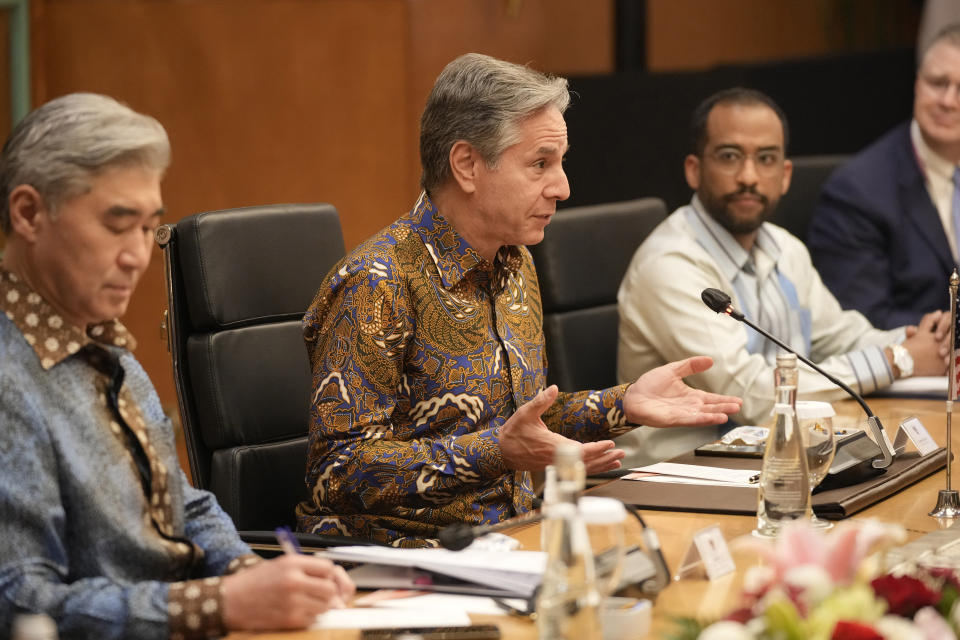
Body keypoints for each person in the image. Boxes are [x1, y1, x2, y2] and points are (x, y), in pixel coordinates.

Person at [296, 53, 742, 547]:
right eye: (540, 164)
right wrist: (499, 451)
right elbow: (336, 473)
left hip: (517, 539)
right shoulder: (377, 282)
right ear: (467, 165)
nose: (564, 187)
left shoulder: (513, 262)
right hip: (406, 562)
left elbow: (522, 427)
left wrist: (623, 404)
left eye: (560, 162)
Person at [0, 93, 354, 639]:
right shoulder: (9, 379)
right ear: (28, 213)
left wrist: (250, 573)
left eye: (147, 229)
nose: (137, 256)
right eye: (118, 225)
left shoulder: (100, 343)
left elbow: (182, 508)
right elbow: (22, 607)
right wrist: (216, 605)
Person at [615, 88, 949, 466]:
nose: (749, 177)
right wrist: (898, 360)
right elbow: (753, 397)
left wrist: (925, 344)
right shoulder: (670, 264)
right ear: (694, 169)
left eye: (767, 159)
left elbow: (838, 338)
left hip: (773, 463)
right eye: (729, 157)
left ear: (785, 175)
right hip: (678, 479)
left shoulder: (785, 248)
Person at [808, 24, 960, 329]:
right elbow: (859, 319)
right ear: (917, 84)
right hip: (911, 370)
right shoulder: (856, 191)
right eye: (938, 83)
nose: (948, 100)